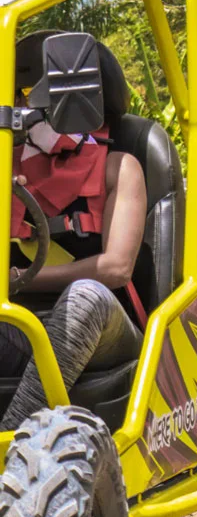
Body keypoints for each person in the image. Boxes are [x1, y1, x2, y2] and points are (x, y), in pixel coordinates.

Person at [0, 31, 147, 431]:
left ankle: (11, 442)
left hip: (105, 326)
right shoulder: (6, 168)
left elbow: (117, 268)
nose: (20, 105)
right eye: (16, 95)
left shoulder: (119, 167)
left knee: (85, 297)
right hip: (19, 322)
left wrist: (22, 281)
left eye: (28, 95)